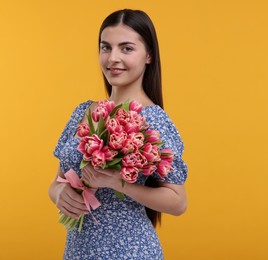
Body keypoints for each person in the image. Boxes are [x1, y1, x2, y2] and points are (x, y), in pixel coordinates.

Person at [48, 9, 188, 259]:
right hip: (78, 251)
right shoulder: (84, 111)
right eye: (106, 47)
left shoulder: (152, 119)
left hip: (130, 251)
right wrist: (59, 193)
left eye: (126, 48)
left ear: (148, 55)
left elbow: (178, 202)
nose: (113, 58)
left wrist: (116, 182)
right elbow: (57, 181)